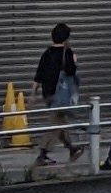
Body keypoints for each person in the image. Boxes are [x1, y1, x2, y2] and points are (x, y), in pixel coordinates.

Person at [28, 26, 84, 174]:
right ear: (66, 38)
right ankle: (43, 154)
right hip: (61, 95)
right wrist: (74, 61)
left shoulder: (46, 53)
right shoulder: (67, 53)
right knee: (54, 124)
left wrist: (33, 94)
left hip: (48, 94)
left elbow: (38, 75)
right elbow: (71, 72)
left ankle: (72, 149)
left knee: (58, 121)